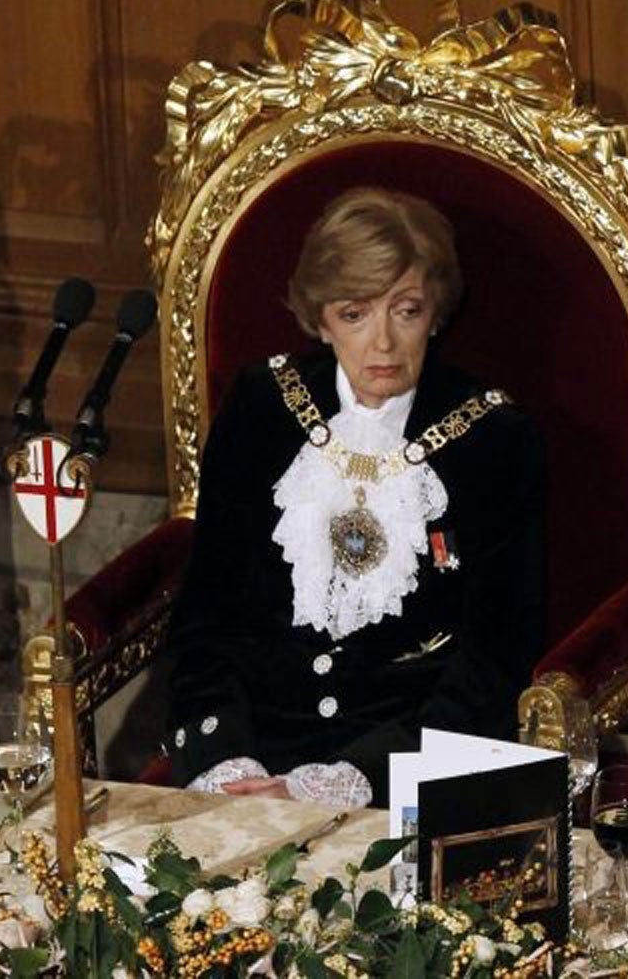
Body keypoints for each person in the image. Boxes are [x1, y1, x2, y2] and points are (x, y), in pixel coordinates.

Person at [163, 188, 546, 807]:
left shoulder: (495, 438)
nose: (384, 345)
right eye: (354, 314)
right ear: (320, 319)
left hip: (404, 763)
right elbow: (209, 615)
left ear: (437, 312)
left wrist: (352, 778)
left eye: (407, 310)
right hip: (253, 748)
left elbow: (495, 658)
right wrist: (226, 761)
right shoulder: (262, 405)